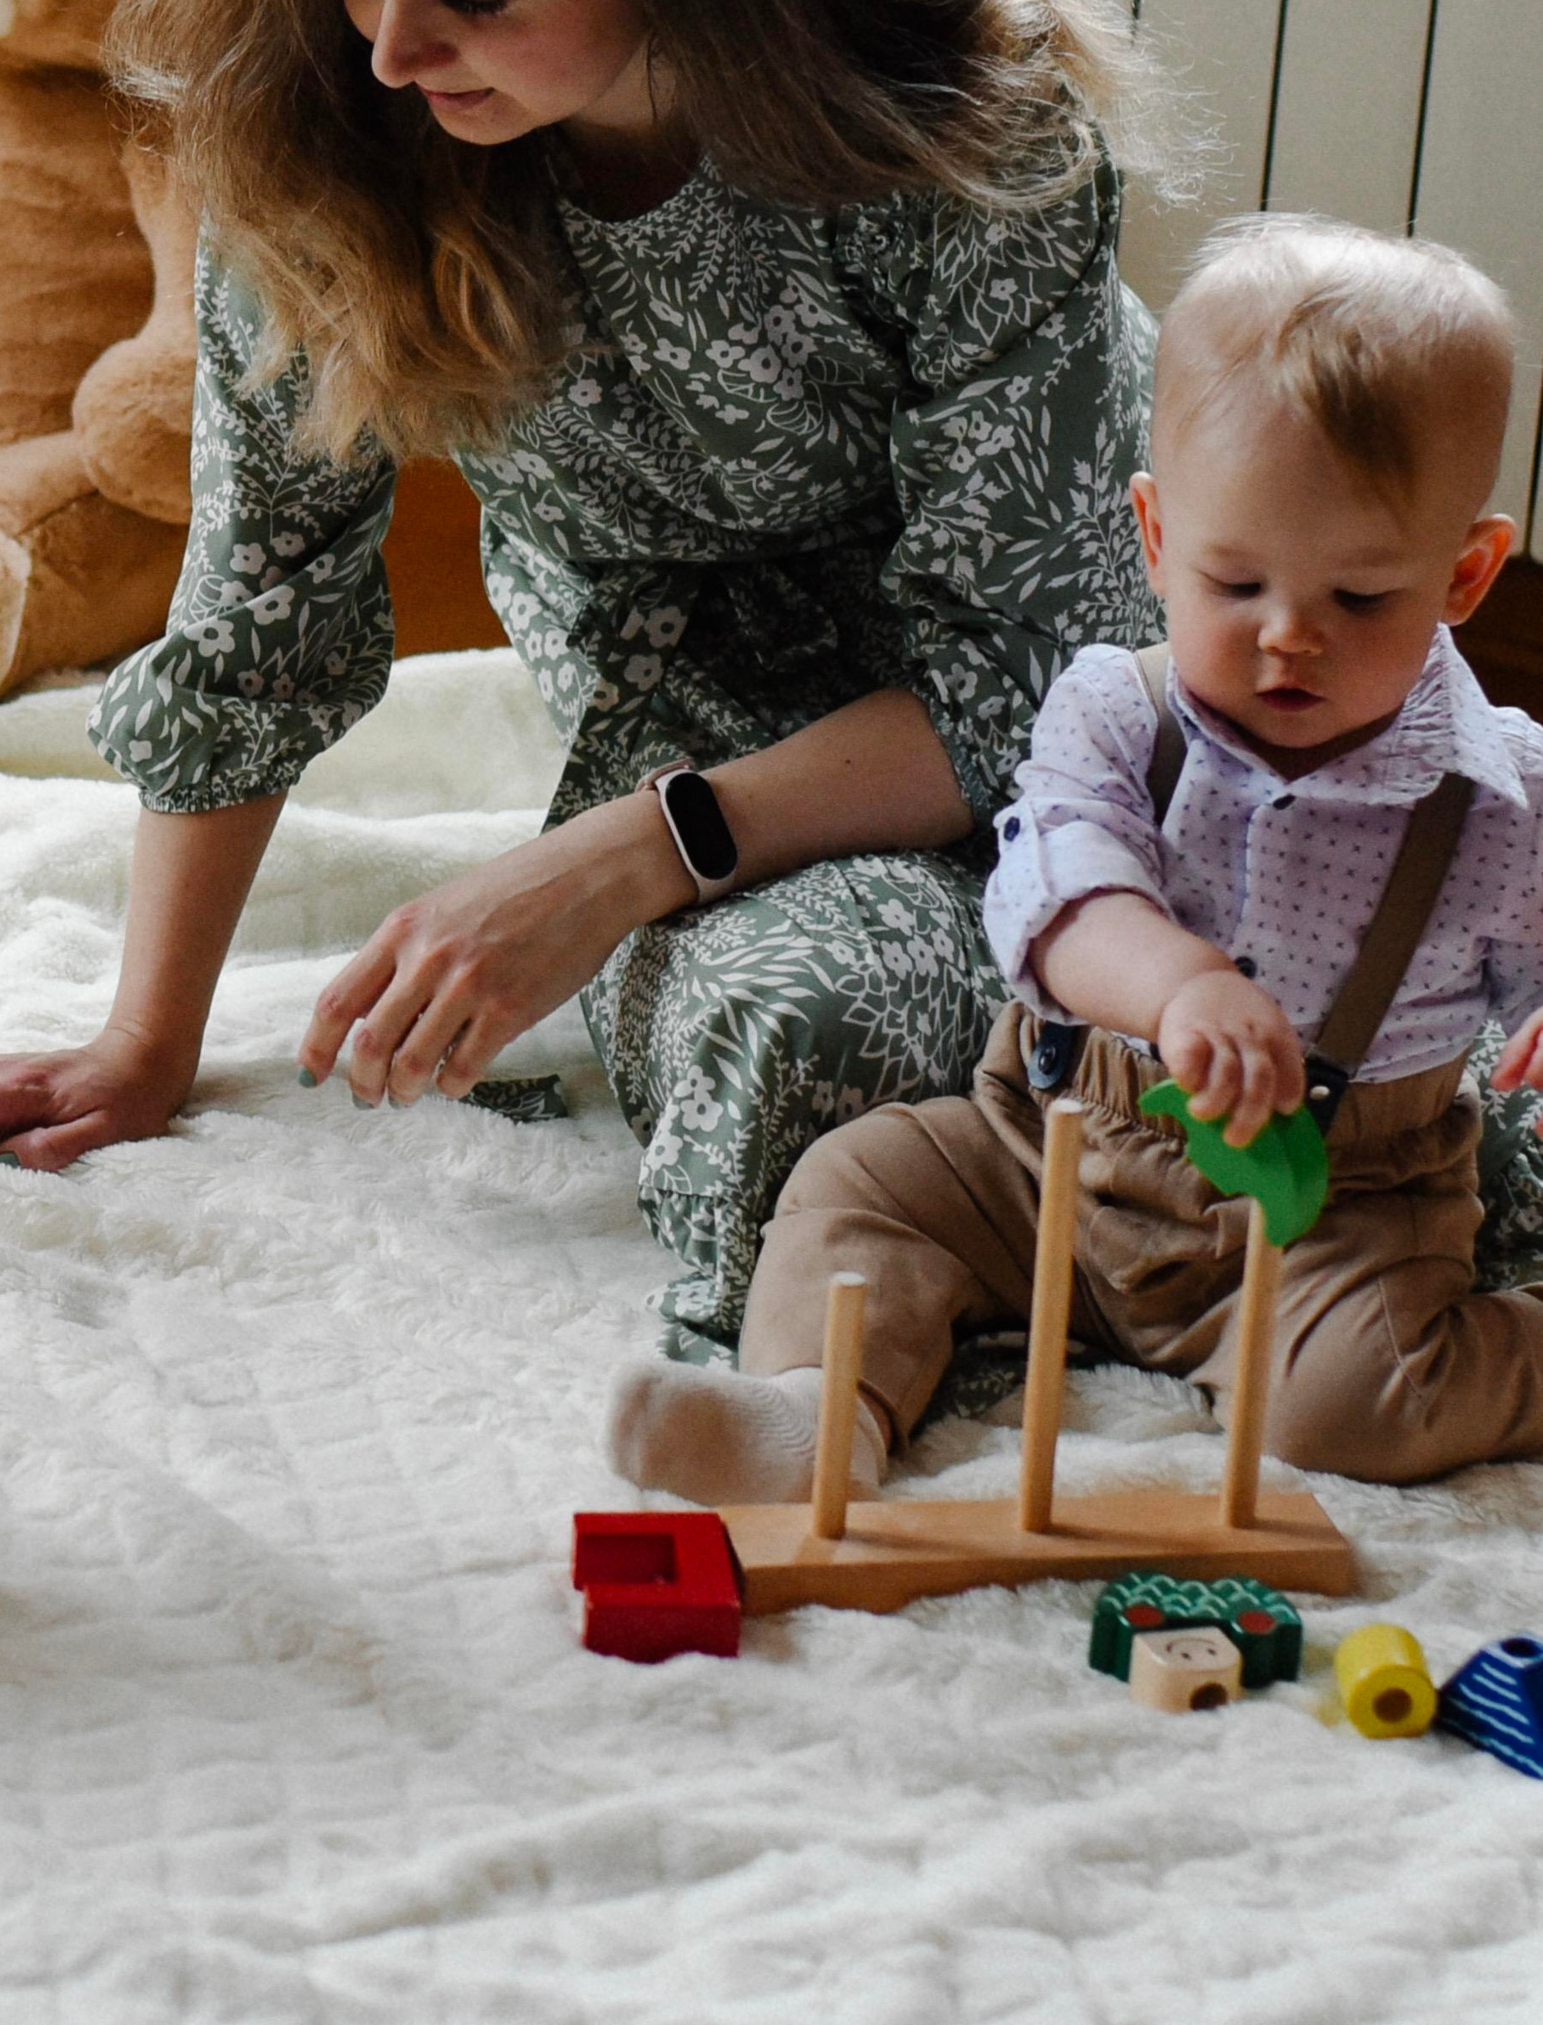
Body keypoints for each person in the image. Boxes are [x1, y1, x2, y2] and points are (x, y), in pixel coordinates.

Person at [0, 0, 1160, 1359]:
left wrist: (627, 856)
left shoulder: (972, 128)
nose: (389, 46)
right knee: (817, 1036)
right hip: (690, 718)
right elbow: (261, 615)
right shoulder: (320, 120)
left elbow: (1034, 677)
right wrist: (142, 1039)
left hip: (1082, 739)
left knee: (1257, 1027)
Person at [615, 218, 1543, 1501]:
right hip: (1051, 1143)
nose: (1288, 638)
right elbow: (1055, 898)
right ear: (1157, 540)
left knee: (1351, 1405)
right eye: (1235, 582)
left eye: (1360, 598)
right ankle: (810, 1415)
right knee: (861, 1181)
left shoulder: (1502, 797)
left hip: (1338, 1215)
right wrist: (1176, 986)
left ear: (1467, 574)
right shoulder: (1116, 708)